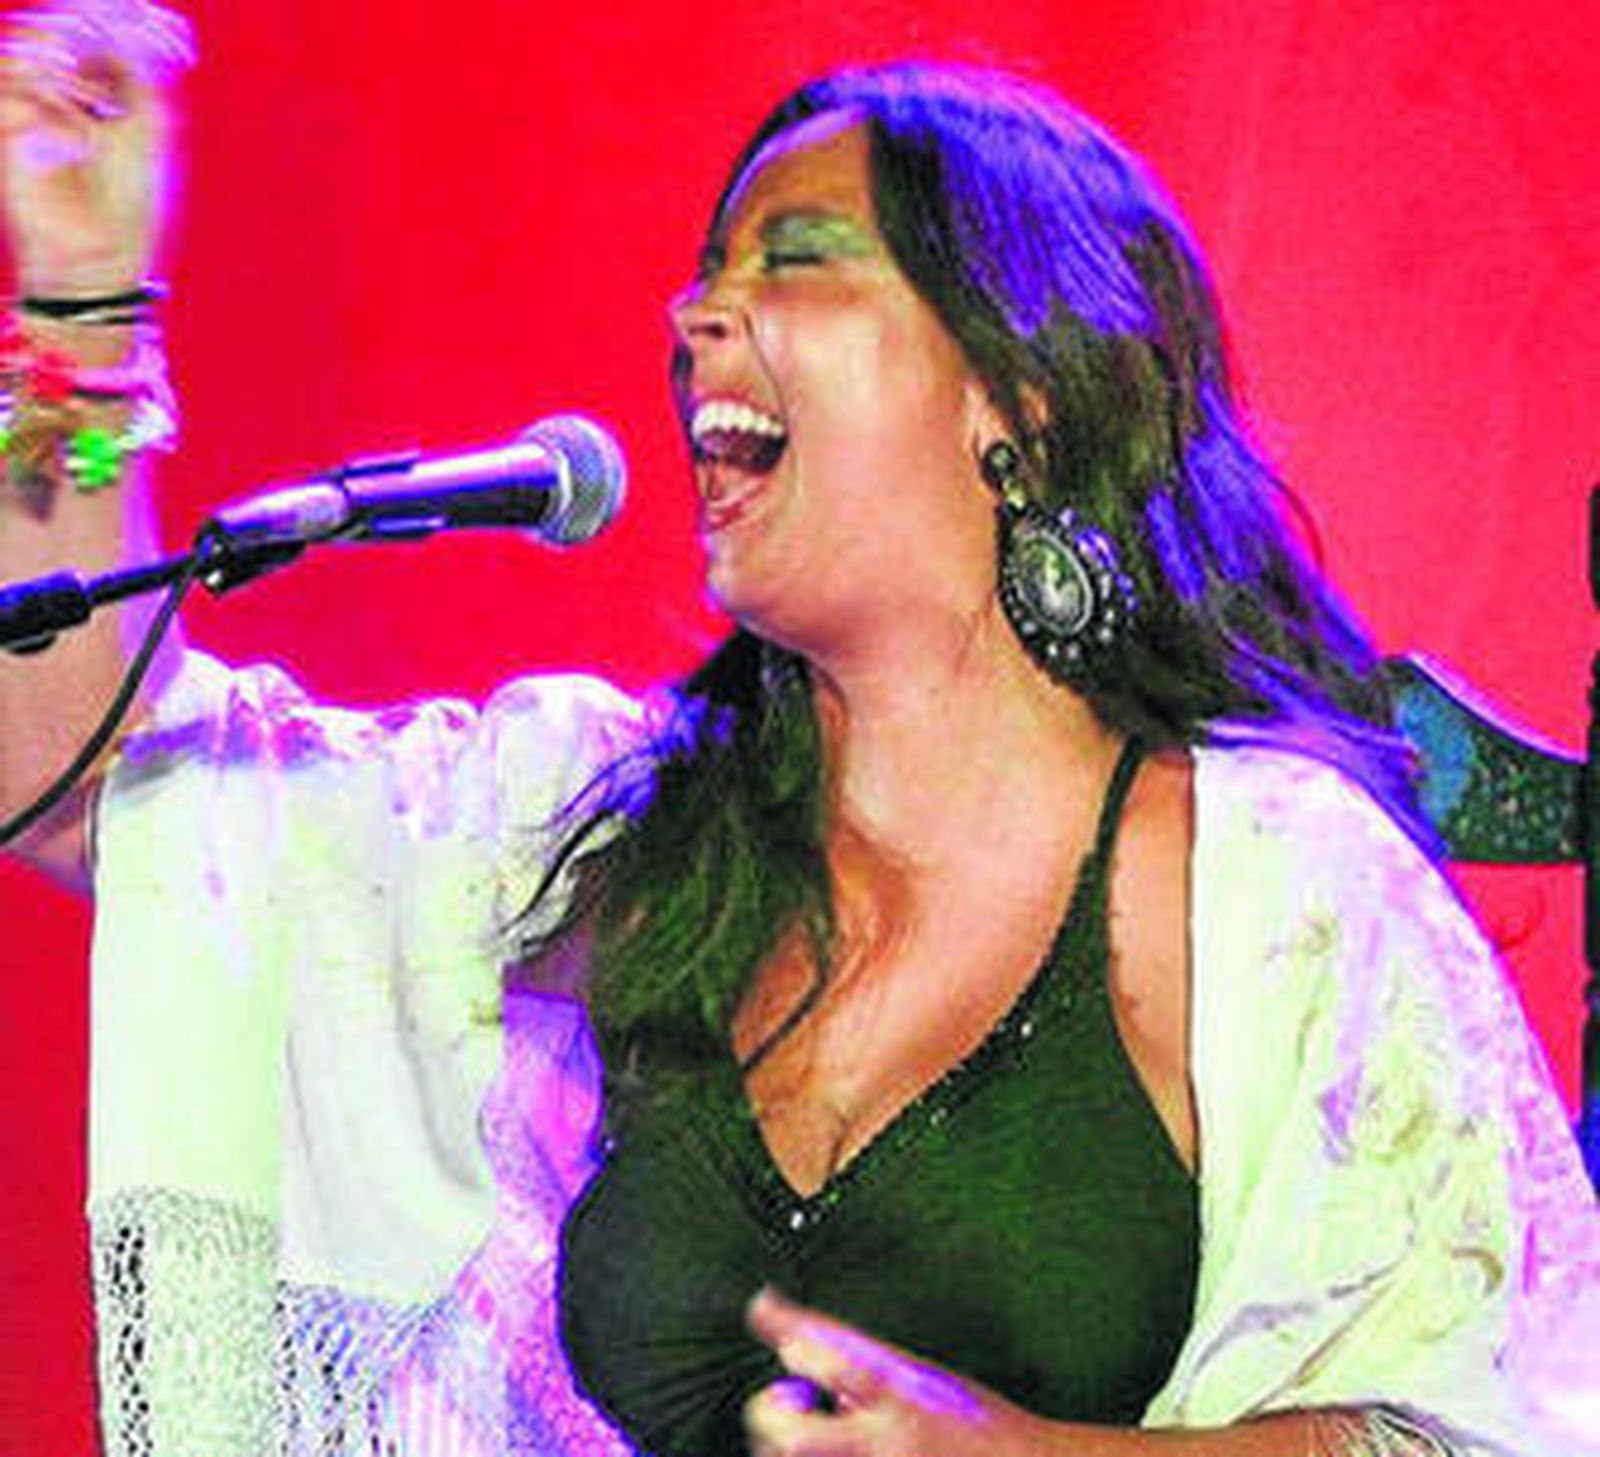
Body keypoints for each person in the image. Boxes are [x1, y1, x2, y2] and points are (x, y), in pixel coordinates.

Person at [1, 4, 1596, 1456]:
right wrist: (79, 295)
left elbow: (1504, 1426)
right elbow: (87, 784)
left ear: (1017, 395)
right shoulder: (630, 837)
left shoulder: (1268, 893)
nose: (697, 313)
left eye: (799, 258)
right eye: (707, 269)